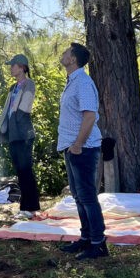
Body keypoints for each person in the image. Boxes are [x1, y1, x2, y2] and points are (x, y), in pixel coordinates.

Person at [57, 42, 108, 260]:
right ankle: (86, 239)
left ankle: (98, 244)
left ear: (74, 59)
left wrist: (78, 144)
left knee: (87, 197)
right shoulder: (72, 81)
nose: (63, 54)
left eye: (67, 52)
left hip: (83, 148)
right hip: (72, 147)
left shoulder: (84, 83)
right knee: (78, 196)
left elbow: (90, 116)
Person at [0, 53, 40, 216]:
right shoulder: (13, 87)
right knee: (20, 172)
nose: (11, 68)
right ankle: (26, 207)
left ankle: (31, 208)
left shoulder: (28, 84)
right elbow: (8, 111)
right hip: (13, 134)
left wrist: (15, 123)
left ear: (22, 67)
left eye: (13, 65)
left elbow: (24, 109)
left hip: (24, 134)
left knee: (25, 170)